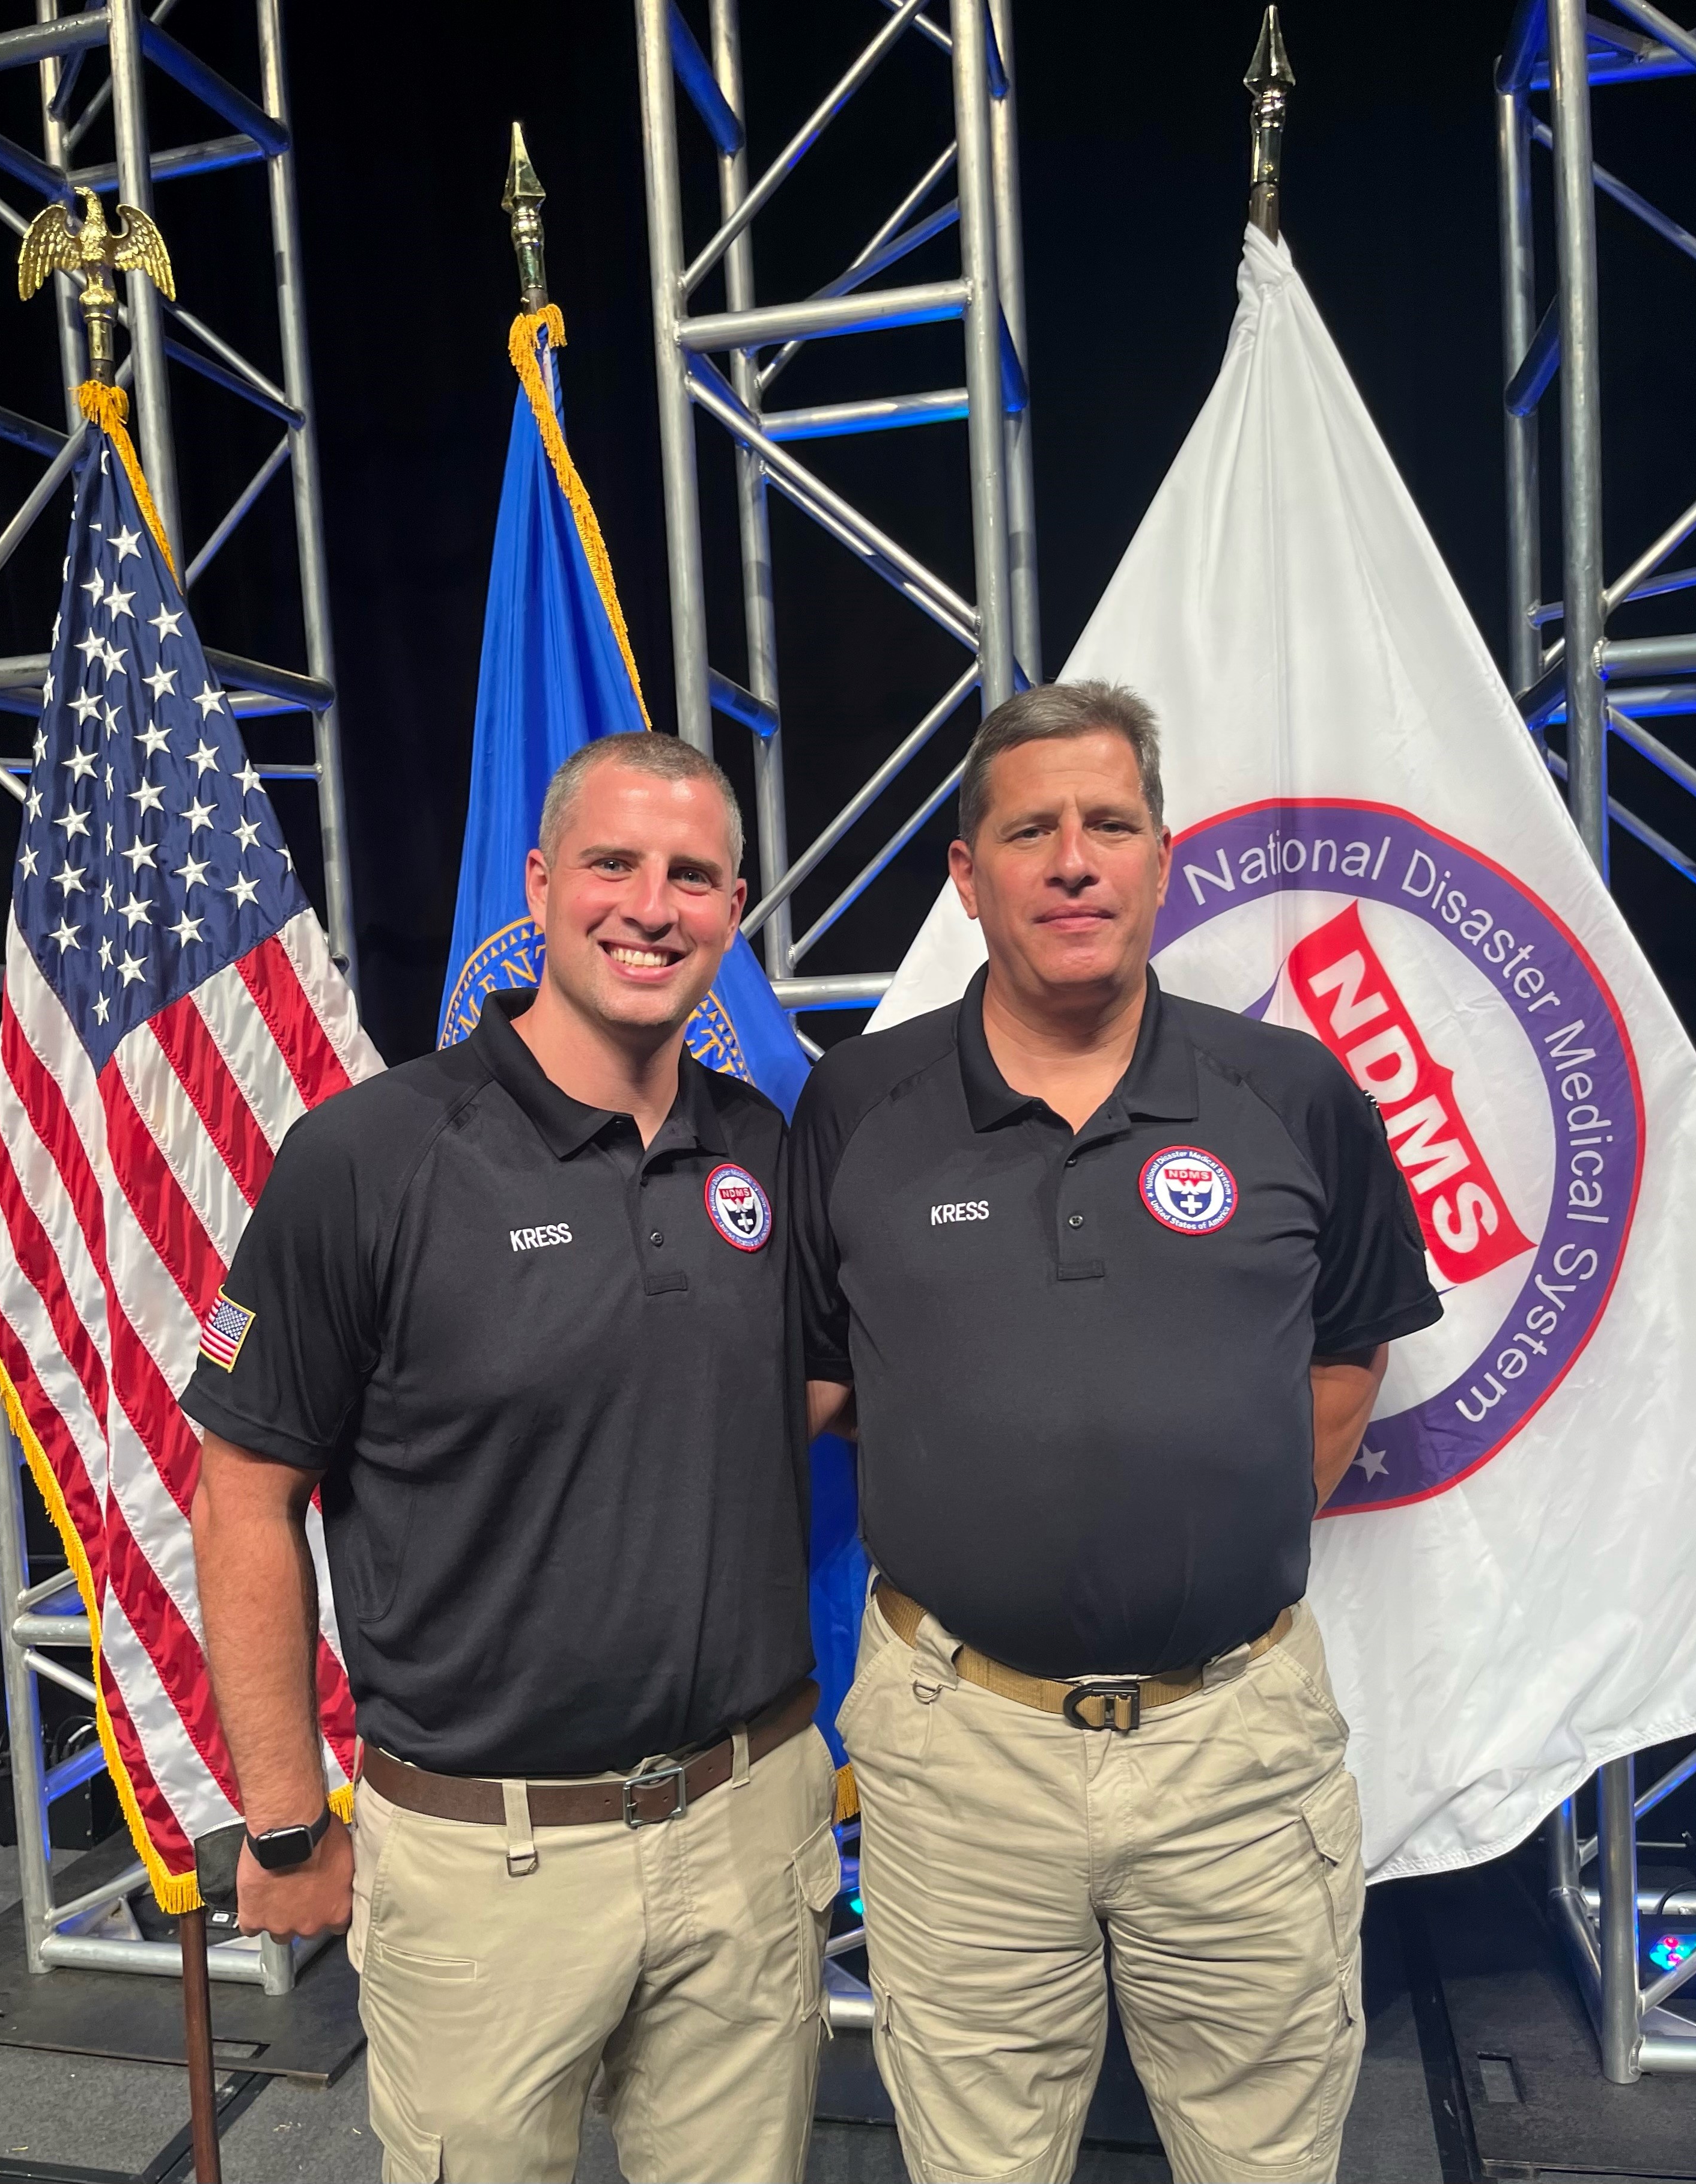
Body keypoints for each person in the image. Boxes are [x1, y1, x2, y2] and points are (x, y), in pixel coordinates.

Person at [792, 681, 1442, 2184]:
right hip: (961, 1751)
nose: (1071, 860)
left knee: (1265, 2157)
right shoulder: (858, 1102)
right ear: (968, 878)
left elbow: (1345, 1353)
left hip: (1235, 1747)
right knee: (976, 2160)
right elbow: (820, 1380)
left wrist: (1206, 1538)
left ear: (1162, 856)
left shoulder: (1290, 1092)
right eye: (1028, 831)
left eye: (1108, 824)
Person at [187, 732, 838, 2184]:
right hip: (490, 1860)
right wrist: (288, 1822)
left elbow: (793, 1388)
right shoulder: (368, 1156)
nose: (650, 906)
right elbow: (241, 1493)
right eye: (612, 864)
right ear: (540, 887)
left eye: (692, 876)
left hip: (749, 1823)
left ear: (734, 909)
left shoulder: (767, 1151)